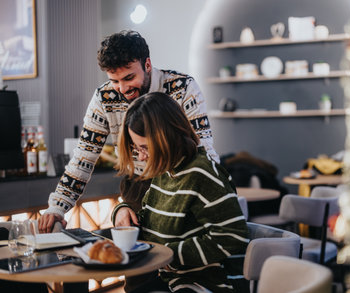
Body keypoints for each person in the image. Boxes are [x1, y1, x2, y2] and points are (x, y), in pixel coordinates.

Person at [38, 30, 218, 233]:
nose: (122, 88)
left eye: (129, 77)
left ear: (147, 65)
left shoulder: (183, 88)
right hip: (138, 186)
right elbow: (83, 159)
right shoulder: (104, 97)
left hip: (182, 184)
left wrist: (213, 190)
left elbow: (203, 148)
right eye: (115, 81)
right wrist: (58, 207)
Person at [113, 92, 249, 293]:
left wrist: (169, 255)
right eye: (137, 148)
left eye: (145, 148)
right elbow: (150, 220)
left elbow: (233, 235)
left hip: (205, 283)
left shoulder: (200, 173)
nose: (141, 157)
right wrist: (122, 210)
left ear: (165, 138)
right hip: (173, 279)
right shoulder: (166, 171)